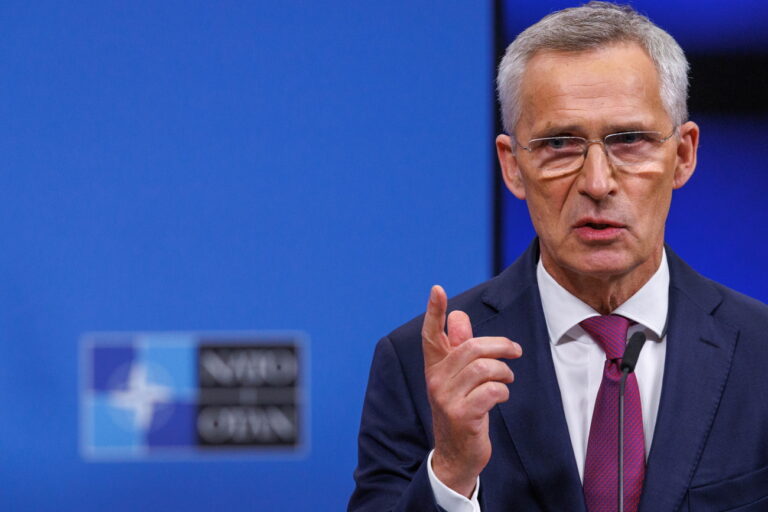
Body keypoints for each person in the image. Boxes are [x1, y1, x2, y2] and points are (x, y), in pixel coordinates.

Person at [348, 2, 768, 511]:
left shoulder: (759, 354)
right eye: (560, 145)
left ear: (683, 155)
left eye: (630, 140)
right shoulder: (418, 366)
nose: (596, 183)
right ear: (512, 166)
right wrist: (453, 471)